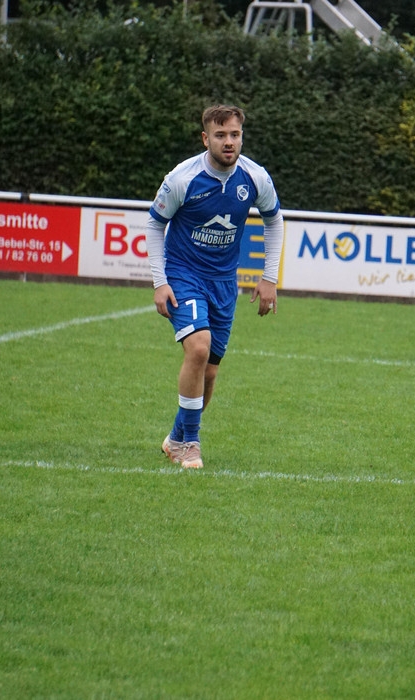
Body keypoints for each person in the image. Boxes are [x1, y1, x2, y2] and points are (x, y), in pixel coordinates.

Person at [146, 105, 283, 469]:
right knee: (198, 348)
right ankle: (190, 445)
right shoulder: (182, 178)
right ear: (205, 138)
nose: (228, 142)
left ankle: (176, 437)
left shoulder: (255, 177)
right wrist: (160, 282)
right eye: (220, 135)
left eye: (235, 134)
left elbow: (274, 220)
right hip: (183, 274)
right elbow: (155, 224)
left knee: (209, 372)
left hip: (224, 282)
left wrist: (269, 277)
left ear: (242, 137)